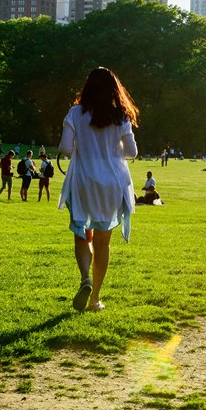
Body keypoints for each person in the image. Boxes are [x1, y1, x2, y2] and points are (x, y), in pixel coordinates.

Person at [57, 67, 140, 313]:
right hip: (112, 183)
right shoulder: (122, 117)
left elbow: (65, 148)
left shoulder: (75, 113)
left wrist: (84, 146)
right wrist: (113, 151)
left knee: (82, 234)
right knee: (103, 242)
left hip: (83, 180)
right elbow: (132, 152)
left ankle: (85, 278)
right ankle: (95, 299)